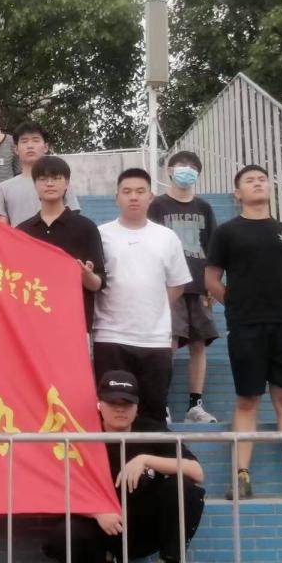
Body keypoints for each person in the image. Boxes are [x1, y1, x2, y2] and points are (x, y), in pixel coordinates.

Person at [206, 165, 282, 500]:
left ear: (270, 187)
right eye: (250, 180)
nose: (257, 183)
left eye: (262, 179)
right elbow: (212, 279)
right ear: (238, 193)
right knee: (247, 400)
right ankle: (241, 477)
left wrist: (281, 297)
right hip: (245, 326)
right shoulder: (227, 232)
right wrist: (236, 305)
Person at [42, 371, 206, 563]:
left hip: (146, 527)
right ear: (99, 404)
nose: (120, 409)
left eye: (127, 403)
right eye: (113, 403)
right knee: (63, 536)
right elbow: (57, 487)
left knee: (185, 488)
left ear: (137, 406)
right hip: (103, 529)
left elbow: (197, 472)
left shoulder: (151, 431)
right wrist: (96, 513)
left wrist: (145, 460)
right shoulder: (82, 434)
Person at [93, 168, 193, 423]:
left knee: (153, 410)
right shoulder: (101, 235)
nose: (133, 197)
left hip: (155, 340)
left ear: (151, 197)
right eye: (126, 192)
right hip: (110, 337)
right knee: (109, 413)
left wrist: (152, 306)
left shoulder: (167, 237)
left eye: (140, 191)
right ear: (116, 197)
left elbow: (177, 285)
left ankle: (152, 452)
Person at [148, 151, 220, 424]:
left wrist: (213, 284)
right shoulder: (157, 205)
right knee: (169, 342)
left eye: (192, 166)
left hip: (199, 284)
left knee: (199, 344)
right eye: (181, 165)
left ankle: (195, 405)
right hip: (169, 286)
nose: (187, 170)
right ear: (169, 170)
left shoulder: (204, 207)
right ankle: (161, 403)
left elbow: (213, 248)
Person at [16, 156, 105, 330]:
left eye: (56, 178)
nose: (49, 184)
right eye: (43, 179)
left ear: (67, 184)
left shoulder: (86, 228)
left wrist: (86, 276)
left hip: (75, 326)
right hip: (32, 326)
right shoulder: (22, 231)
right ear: (35, 185)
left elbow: (98, 284)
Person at [0, 122, 80, 226]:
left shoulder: (60, 183)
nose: (30, 146)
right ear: (16, 149)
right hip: (18, 237)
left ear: (46, 147)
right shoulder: (4, 188)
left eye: (35, 140)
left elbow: (73, 221)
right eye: (24, 141)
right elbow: (2, 228)